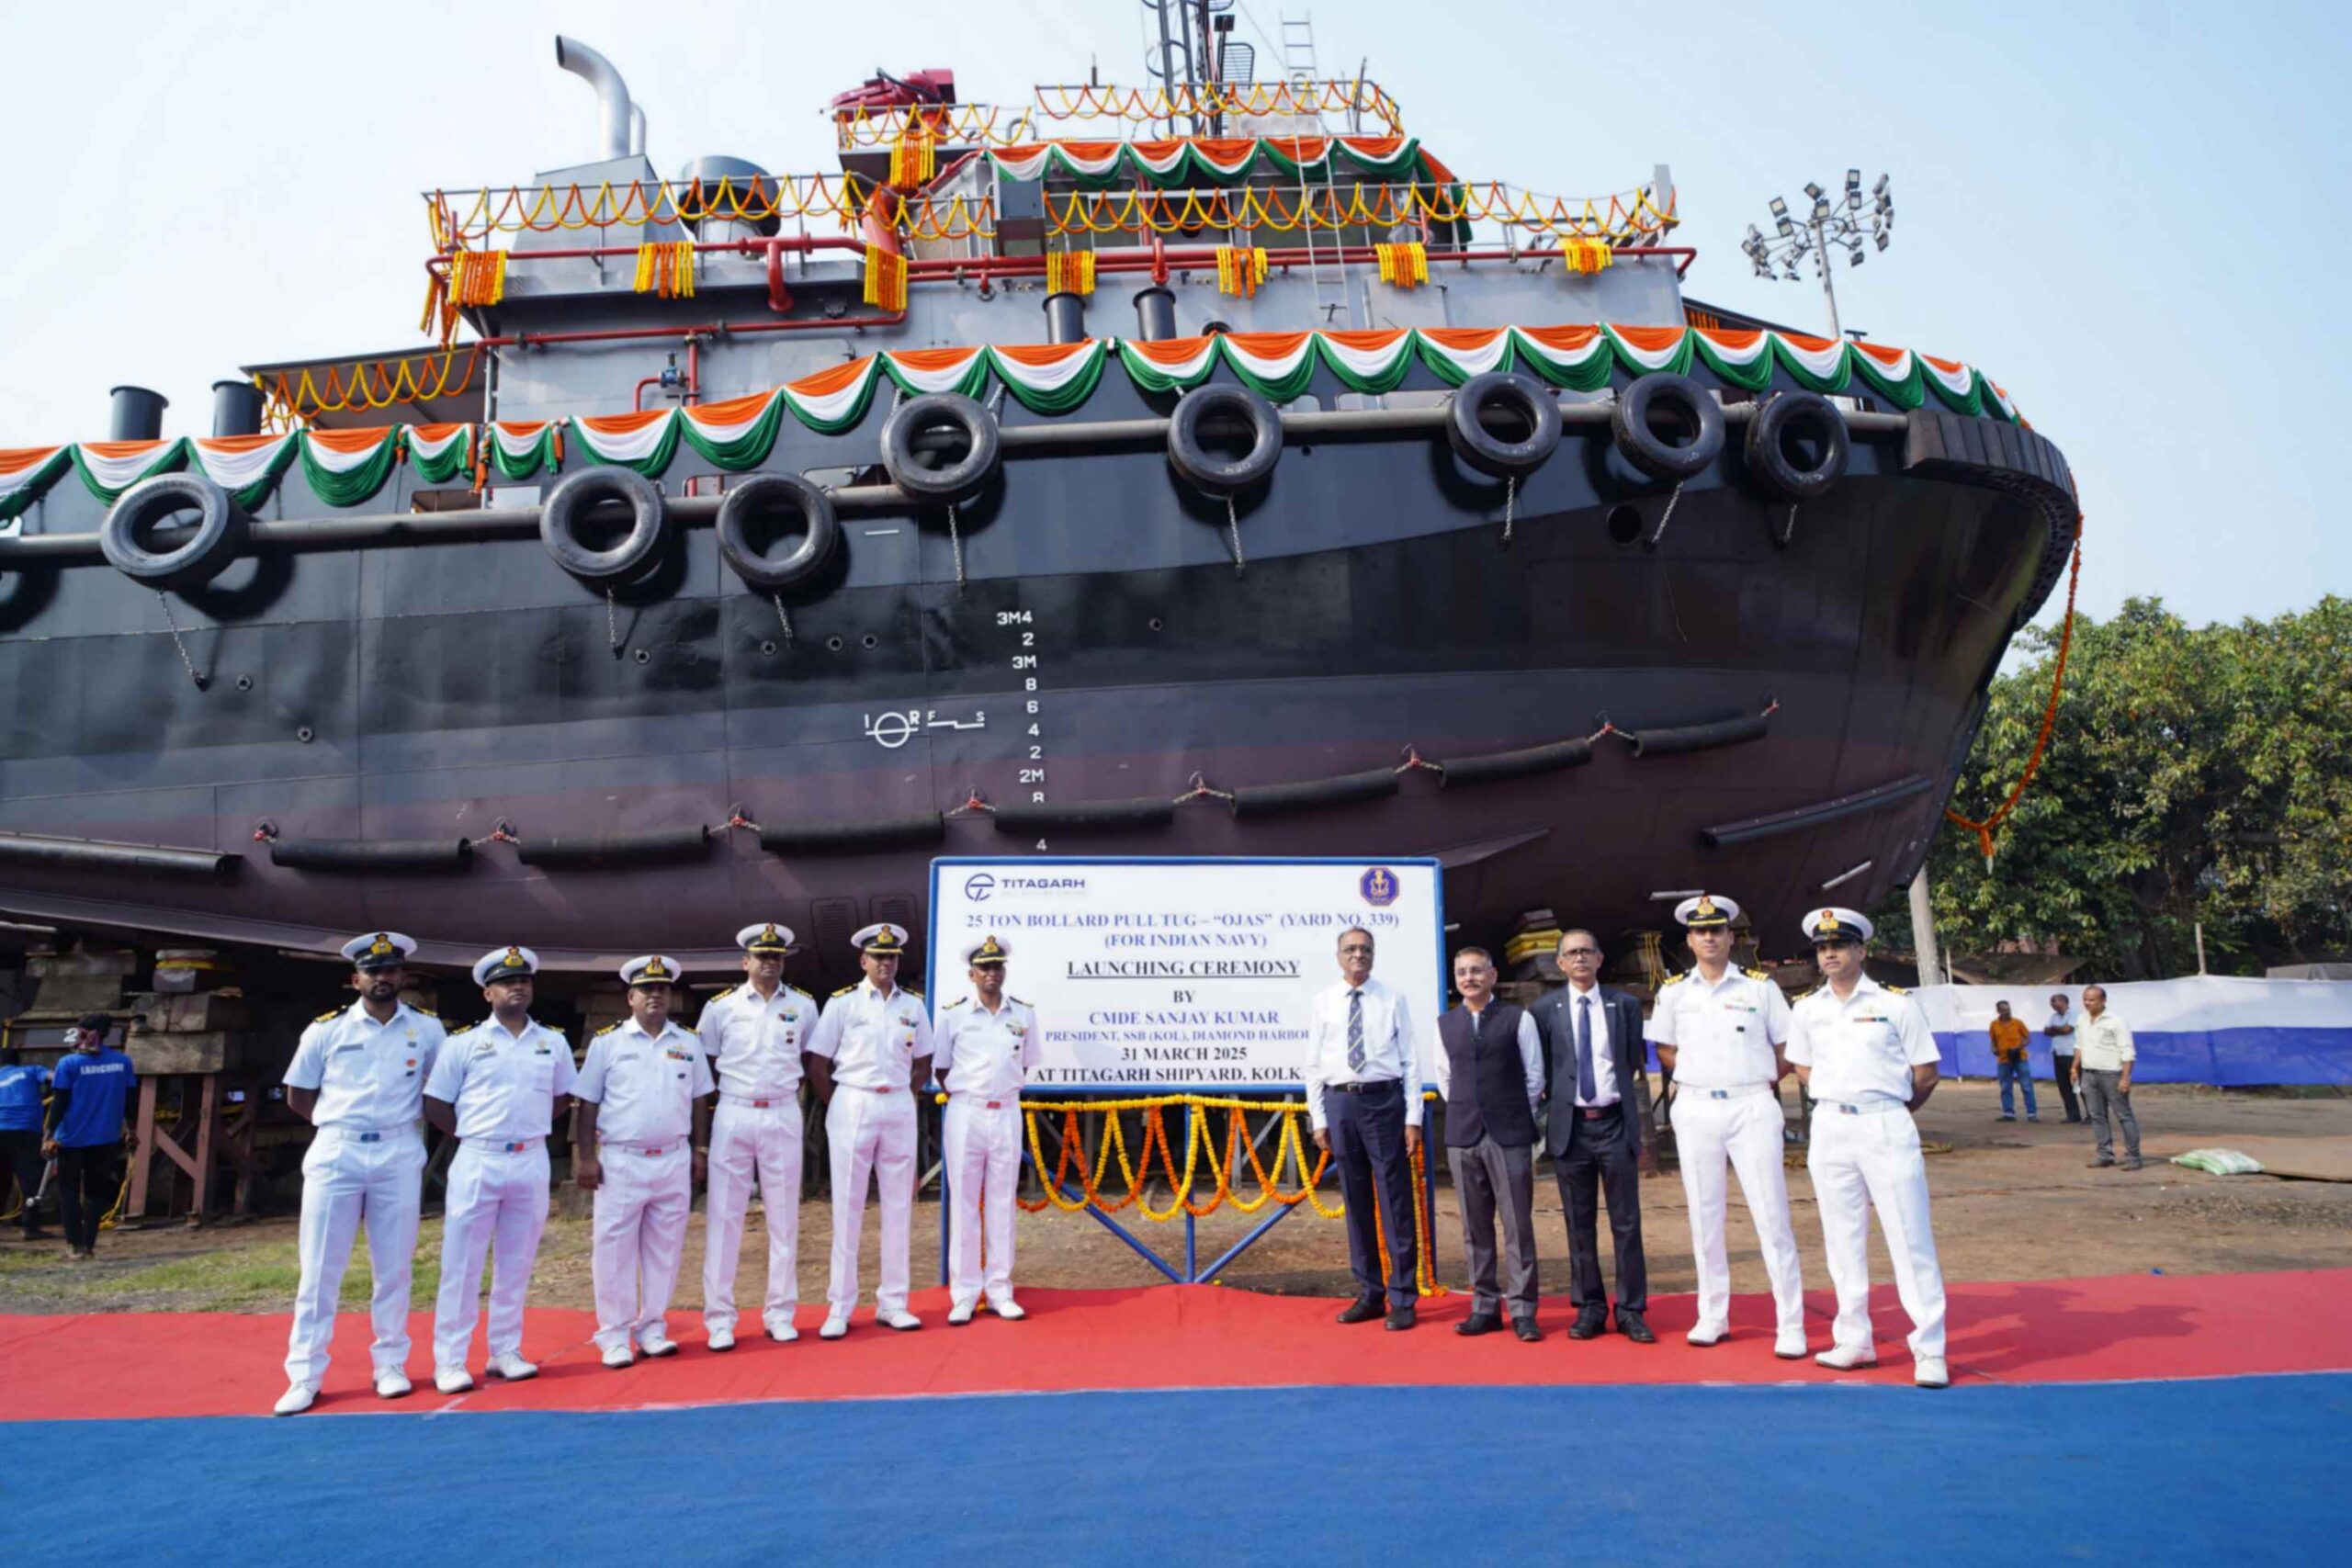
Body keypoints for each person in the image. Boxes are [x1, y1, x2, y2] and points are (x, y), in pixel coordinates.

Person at [273, 931, 447, 1416]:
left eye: (391, 970)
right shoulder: (326, 1030)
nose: (382, 978)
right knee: (319, 1270)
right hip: (338, 1151)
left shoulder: (427, 1029)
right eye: (373, 971)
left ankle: (390, 1364)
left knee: (393, 1267)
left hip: (397, 1149)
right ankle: (305, 1374)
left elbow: (441, 1087)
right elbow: (299, 1094)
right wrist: (339, 1126)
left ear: (403, 976)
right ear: (356, 980)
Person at [1786, 907, 1949, 1389]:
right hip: (1830, 1125)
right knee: (1841, 1239)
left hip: (1884, 1123)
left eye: (1838, 945)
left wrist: (1891, 1108)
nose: (1829, 954)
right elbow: (1802, 1068)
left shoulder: (1897, 1005)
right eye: (1822, 947)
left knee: (1909, 1237)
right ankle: (1854, 1339)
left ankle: (1930, 1347)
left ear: (1860, 950)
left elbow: (1926, 1073)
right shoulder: (1807, 1009)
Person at [1644, 896, 1805, 1356]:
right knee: (1704, 1216)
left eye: (1717, 930)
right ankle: (1712, 1314)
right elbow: (1666, 1049)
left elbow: (1787, 1049)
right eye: (1701, 932)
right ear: (1690, 940)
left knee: (1772, 1216)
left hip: (1751, 1105)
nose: (1709, 938)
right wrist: (1701, 1075)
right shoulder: (1674, 992)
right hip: (1697, 1106)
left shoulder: (1759, 989)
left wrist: (1755, 1078)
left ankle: (1790, 1322)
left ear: (1731, 937)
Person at [424, 944, 576, 1393]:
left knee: (517, 1260)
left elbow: (563, 1096)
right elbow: (436, 1103)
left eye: (524, 980)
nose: (518, 987)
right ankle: (450, 1359)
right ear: (487, 993)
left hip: (530, 1156)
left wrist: (525, 1128)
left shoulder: (553, 1041)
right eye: (507, 982)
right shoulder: (463, 1043)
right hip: (479, 1157)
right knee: (462, 1264)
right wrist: (474, 1133)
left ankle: (505, 1349)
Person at [576, 955, 714, 1369]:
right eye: (647, 989)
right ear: (631, 997)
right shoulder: (608, 1043)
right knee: (614, 1251)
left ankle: (653, 1326)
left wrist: (700, 1151)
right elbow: (587, 1102)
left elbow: (700, 1100)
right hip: (623, 1159)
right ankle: (614, 1334)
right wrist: (586, 1158)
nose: (655, 995)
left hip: (672, 1157)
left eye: (662, 989)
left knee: (665, 1249)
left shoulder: (687, 1043)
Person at [697, 921, 820, 1351]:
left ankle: (781, 1312)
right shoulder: (721, 1007)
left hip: (782, 1111)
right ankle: (719, 1318)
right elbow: (706, 1066)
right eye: (762, 956)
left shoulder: (803, 1005)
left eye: (776, 956)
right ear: (745, 961)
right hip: (734, 1111)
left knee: (784, 1217)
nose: (770, 963)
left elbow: (808, 1058)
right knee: (724, 1217)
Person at [806, 922, 932, 1339]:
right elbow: (817, 1064)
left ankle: (894, 1302)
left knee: (898, 1205)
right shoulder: (842, 1003)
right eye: (878, 957)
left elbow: (924, 1061)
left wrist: (907, 1095)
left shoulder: (912, 1006)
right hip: (854, 1099)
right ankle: (840, 1306)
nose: (886, 963)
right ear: (864, 961)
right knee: (847, 1206)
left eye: (892, 957)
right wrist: (838, 1104)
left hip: (897, 1101)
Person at [1532, 928, 1654, 1346]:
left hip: (1615, 1123)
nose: (1580, 958)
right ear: (1560, 963)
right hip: (1572, 1128)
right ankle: (1590, 1308)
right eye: (1571, 953)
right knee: (1578, 1222)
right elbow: (1543, 1067)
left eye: (1587, 951)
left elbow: (1631, 1060)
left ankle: (1631, 1310)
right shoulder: (1544, 1009)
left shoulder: (1625, 1005)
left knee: (1627, 1222)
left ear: (1600, 959)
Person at [1306, 926, 1426, 1331]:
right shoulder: (1323, 1001)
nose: (1358, 955)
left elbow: (1410, 1060)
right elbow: (1313, 1064)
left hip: (1383, 1103)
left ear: (1374, 955)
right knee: (1356, 1203)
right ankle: (1370, 1293)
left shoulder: (1392, 1000)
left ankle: (1403, 1297)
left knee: (1395, 1202)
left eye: (1365, 949)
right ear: (1338, 956)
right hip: (1341, 1104)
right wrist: (1320, 1118)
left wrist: (1412, 1118)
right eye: (1350, 949)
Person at [1430, 945, 1544, 1341]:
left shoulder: (1518, 1019)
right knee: (1475, 1227)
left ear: (1492, 975)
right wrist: (1471, 1109)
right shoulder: (1445, 1024)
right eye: (1462, 972)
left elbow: (1534, 1076)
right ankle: (1484, 1307)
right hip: (1463, 1136)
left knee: (1517, 1225)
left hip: (1509, 1136)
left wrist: (1509, 1111)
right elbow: (1445, 1079)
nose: (1469, 978)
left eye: (1477, 970)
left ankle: (1524, 1309)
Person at [934, 935, 1038, 1326]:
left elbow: (1023, 1064)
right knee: (964, 1204)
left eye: (997, 966)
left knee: (1001, 1201)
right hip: (967, 1112)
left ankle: (999, 1290)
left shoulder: (1023, 1014)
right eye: (984, 967)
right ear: (972, 974)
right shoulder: (953, 1016)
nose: (992, 973)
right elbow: (942, 1069)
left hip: (1006, 1111)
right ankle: (964, 1294)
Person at [42, 1014, 136, 1261]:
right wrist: (131, 1130)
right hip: (106, 1138)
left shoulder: (68, 1063)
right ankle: (89, 1245)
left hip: (70, 1140)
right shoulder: (123, 1062)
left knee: (69, 1192)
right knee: (96, 1193)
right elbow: (131, 1102)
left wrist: (47, 1135)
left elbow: (59, 1103)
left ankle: (76, 1246)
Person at [2073, 986, 2141, 1170]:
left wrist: (2125, 1078)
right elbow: (2079, 1045)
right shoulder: (2082, 1019)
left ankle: (2133, 1157)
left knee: (2124, 1115)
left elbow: (2127, 1050)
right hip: (2089, 1074)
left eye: (2092, 999)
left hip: (2111, 1074)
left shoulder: (2116, 1021)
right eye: (2085, 999)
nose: (2087, 1003)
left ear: (2103, 1000)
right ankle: (2105, 1154)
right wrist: (2074, 1067)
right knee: (2096, 1116)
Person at [0, 1045, 53, 1241]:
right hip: (27, 1131)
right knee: (30, 1181)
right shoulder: (32, 1070)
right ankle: (30, 1228)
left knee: (1, 1182)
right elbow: (56, 1078)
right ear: (18, 1061)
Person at [1989, 1000, 2037, 1122]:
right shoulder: (1994, 1025)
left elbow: (2027, 1038)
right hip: (2003, 1060)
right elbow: (1993, 1041)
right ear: (1998, 1011)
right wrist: (1994, 1049)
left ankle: (2031, 1113)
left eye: (2008, 1009)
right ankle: (2008, 1113)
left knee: (2026, 1086)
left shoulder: (2018, 1023)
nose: (2007, 1012)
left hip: (2020, 1058)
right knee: (2005, 1087)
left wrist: (2018, 1048)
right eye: (2004, 1010)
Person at [2045, 993, 2083, 1123]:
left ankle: (2092, 1115)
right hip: (2058, 1053)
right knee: (2064, 1086)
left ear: (2064, 1001)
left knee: (2080, 1085)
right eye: (2051, 1001)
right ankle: (2073, 1114)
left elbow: (2068, 1030)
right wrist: (2058, 1029)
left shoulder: (2074, 1014)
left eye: (2054, 1001)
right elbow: (2046, 1031)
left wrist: (2054, 1029)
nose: (2052, 1004)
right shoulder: (2053, 1016)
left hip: (2071, 1054)